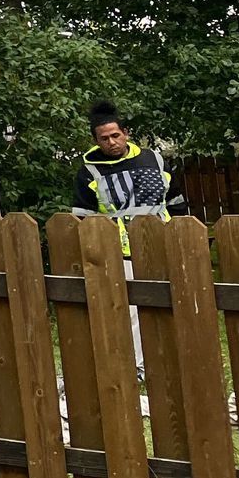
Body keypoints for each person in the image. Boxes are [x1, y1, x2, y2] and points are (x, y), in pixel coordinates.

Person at [69, 100, 188, 372]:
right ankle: (138, 366)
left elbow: (176, 200)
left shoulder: (153, 159)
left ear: (126, 133)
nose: (111, 142)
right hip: (120, 251)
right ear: (96, 141)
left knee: (171, 300)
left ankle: (174, 354)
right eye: (104, 138)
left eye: (115, 135)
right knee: (132, 311)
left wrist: (180, 232)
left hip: (162, 243)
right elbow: (82, 217)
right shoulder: (90, 171)